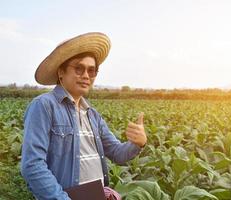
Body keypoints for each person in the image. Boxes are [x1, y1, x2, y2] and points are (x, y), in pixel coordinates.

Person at [21, 32, 147, 200]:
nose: (86, 75)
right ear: (61, 72)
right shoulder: (44, 105)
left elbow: (117, 153)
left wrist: (138, 143)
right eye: (79, 68)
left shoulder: (92, 114)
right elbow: (32, 165)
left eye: (92, 70)